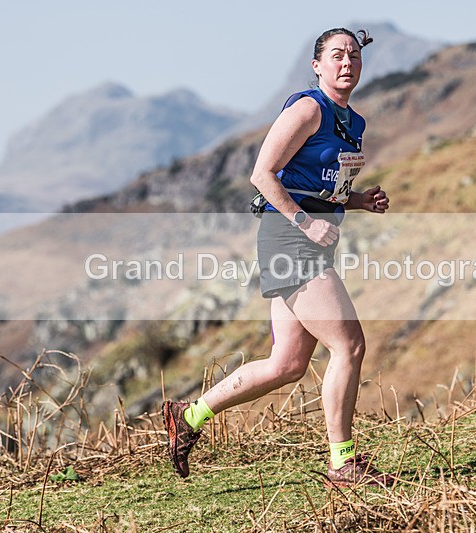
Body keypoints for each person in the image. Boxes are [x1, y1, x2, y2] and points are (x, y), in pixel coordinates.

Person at [163, 28, 393, 487]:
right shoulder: (308, 108)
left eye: (353, 55)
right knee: (349, 346)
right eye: (335, 55)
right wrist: (306, 223)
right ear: (317, 65)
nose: (347, 62)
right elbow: (261, 175)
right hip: (289, 240)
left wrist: (358, 202)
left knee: (286, 365)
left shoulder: (354, 122)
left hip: (304, 239)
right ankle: (343, 464)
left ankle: (188, 415)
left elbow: (320, 189)